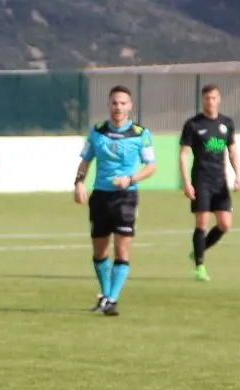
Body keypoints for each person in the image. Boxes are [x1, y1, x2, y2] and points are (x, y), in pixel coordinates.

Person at [73, 85, 158, 317]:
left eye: (123, 103)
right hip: (100, 196)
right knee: (99, 252)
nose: (118, 107)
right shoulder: (97, 132)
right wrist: (79, 183)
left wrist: (130, 178)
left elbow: (151, 166)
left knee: (122, 249)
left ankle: (111, 299)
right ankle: (106, 295)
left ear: (130, 106)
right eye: (114, 103)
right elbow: (85, 161)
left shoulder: (141, 134)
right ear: (109, 105)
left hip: (126, 197)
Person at [179, 84, 240, 282]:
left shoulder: (226, 123)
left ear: (219, 99)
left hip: (220, 181)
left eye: (213, 98)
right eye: (206, 98)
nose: (210, 101)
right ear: (202, 100)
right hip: (201, 180)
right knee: (202, 222)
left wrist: (238, 175)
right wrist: (186, 182)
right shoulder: (193, 124)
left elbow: (232, 151)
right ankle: (199, 266)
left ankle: (199, 249)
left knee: (224, 224)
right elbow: (183, 155)